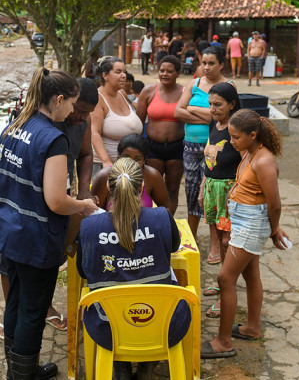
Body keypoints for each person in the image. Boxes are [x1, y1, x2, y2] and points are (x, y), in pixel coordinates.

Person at [0, 67, 98, 379]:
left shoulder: (14, 125)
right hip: (36, 238)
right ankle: (23, 375)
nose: (72, 112)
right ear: (59, 100)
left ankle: (18, 368)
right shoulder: (53, 139)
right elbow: (56, 201)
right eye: (72, 104)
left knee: (16, 302)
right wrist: (85, 205)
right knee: (34, 310)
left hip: (8, 230)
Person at [77, 157, 190, 380]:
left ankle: (121, 368)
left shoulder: (89, 226)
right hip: (164, 326)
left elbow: (83, 271)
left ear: (108, 187)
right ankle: (147, 367)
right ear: (142, 187)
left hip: (107, 328)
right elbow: (174, 246)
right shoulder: (162, 217)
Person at [202, 109, 289, 359]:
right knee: (251, 275)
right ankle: (252, 327)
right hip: (243, 221)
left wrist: (274, 229)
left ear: (253, 135)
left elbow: (275, 204)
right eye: (230, 136)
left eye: (236, 137)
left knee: (225, 279)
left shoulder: (264, 160)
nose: (231, 142)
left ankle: (223, 342)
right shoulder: (249, 151)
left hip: (252, 224)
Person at [175, 45, 233, 260]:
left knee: (211, 195)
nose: (207, 67)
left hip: (216, 148)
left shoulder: (228, 86)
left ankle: (215, 245)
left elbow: (219, 117)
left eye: (211, 63)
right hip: (190, 146)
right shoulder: (194, 83)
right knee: (191, 192)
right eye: (204, 63)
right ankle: (191, 238)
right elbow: (177, 112)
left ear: (221, 64)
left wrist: (193, 109)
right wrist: (207, 115)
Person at [200, 82, 242, 319]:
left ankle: (226, 290)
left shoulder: (236, 128)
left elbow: (246, 160)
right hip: (212, 189)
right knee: (217, 235)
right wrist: (204, 183)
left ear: (232, 104)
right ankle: (222, 280)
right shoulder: (213, 124)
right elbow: (209, 155)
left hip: (229, 191)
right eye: (210, 104)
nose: (213, 109)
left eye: (218, 104)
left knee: (227, 241)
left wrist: (237, 191)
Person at [135, 55, 185, 214]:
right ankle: (150, 222)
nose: (165, 74)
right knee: (149, 188)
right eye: (161, 70)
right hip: (152, 148)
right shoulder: (148, 91)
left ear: (178, 73)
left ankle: (168, 222)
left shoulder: (186, 92)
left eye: (170, 71)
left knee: (172, 189)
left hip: (177, 148)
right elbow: (138, 122)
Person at [91, 134, 173, 212]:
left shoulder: (152, 176)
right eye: (126, 157)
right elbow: (94, 212)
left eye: (137, 159)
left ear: (145, 160)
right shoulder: (105, 175)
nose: (131, 162)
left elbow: (167, 208)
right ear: (119, 157)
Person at [90, 57, 143, 175]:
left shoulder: (122, 93)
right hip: (105, 166)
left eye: (124, 71)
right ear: (105, 75)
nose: (124, 75)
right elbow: (94, 133)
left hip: (129, 166)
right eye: (118, 72)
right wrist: (106, 162)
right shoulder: (98, 98)